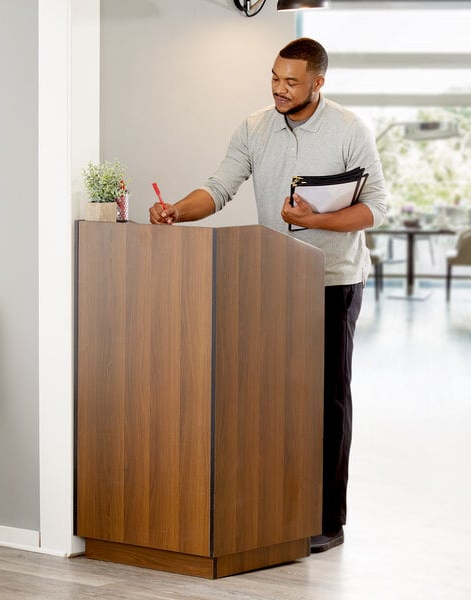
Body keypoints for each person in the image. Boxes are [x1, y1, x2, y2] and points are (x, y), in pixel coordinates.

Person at [149, 37, 386, 553]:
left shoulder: (350, 130)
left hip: (333, 280)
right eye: (275, 79)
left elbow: (376, 209)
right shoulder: (254, 127)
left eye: (291, 82)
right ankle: (277, 507)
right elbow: (219, 186)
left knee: (327, 400)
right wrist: (176, 213)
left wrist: (316, 219)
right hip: (270, 281)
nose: (280, 89)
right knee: (268, 399)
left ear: (318, 83)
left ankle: (328, 519)